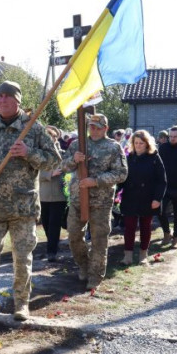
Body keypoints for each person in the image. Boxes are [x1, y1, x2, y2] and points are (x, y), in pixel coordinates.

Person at [0, 81, 60, 327]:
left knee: (22, 258)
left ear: (18, 100)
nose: (2, 100)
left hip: (23, 207)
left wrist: (29, 152)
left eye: (8, 96)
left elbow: (53, 161)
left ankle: (21, 304)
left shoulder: (33, 128)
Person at [62, 113, 128, 290]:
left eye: (98, 127)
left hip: (101, 201)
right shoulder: (78, 144)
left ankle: (95, 275)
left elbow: (121, 173)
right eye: (91, 126)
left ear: (105, 128)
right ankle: (84, 265)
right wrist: (73, 160)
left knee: (99, 240)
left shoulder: (113, 147)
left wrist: (96, 180)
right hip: (77, 198)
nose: (94, 130)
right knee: (74, 236)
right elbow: (64, 166)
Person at [119, 130, 166, 265]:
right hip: (130, 197)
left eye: (141, 143)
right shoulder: (128, 158)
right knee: (129, 227)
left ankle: (143, 255)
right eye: (136, 143)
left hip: (148, 197)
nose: (138, 145)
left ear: (147, 144)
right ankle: (127, 256)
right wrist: (116, 192)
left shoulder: (154, 157)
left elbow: (161, 180)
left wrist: (157, 198)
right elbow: (121, 178)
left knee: (146, 226)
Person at [39, 126, 66, 262]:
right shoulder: (39, 154)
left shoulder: (62, 153)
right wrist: (50, 174)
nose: (52, 139)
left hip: (58, 195)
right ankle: (53, 244)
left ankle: (52, 251)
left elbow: (68, 168)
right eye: (49, 136)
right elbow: (34, 174)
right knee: (45, 223)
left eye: (54, 136)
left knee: (54, 223)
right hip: (43, 196)